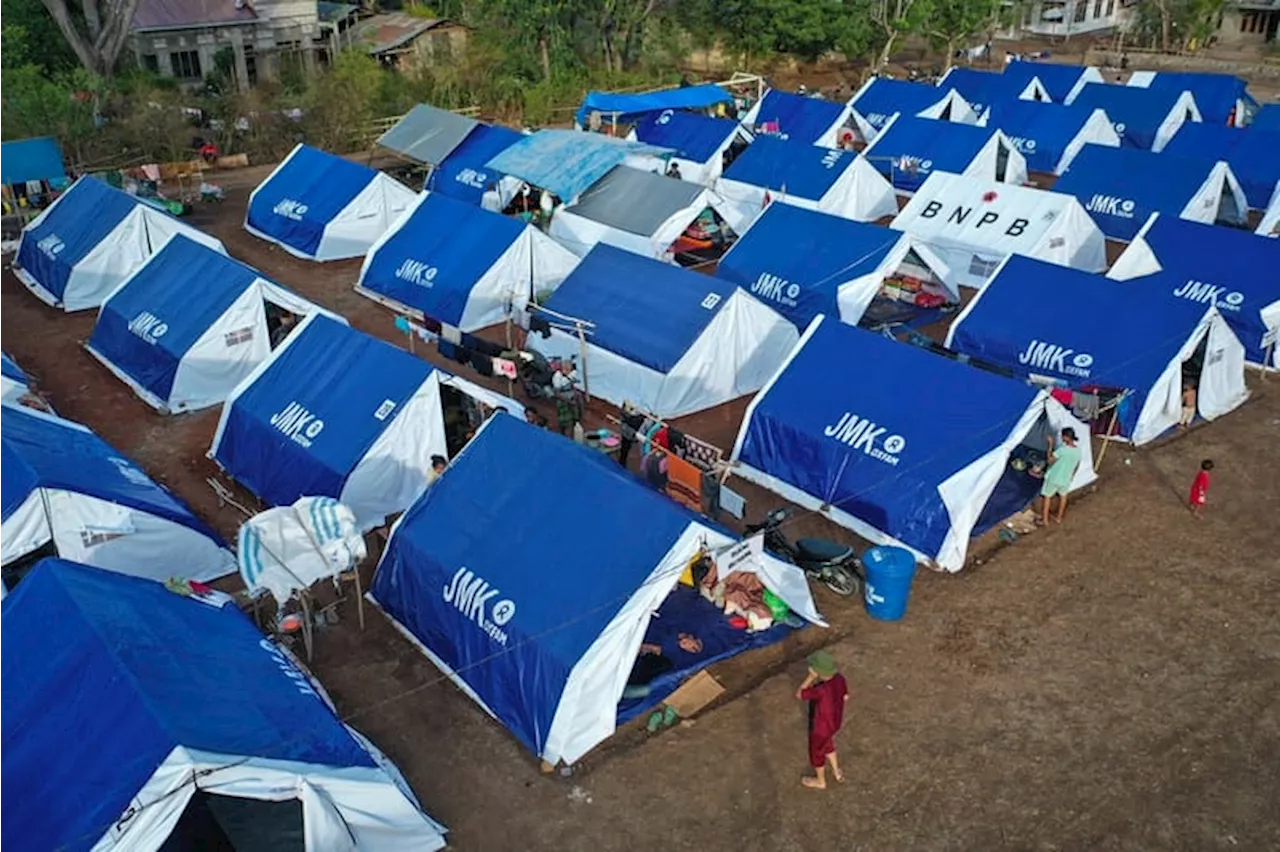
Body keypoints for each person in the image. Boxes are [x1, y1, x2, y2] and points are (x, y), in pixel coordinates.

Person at [797, 650, 848, 790]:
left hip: (820, 727)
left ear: (818, 671)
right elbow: (845, 696)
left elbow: (800, 694)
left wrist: (810, 677)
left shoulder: (820, 689)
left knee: (817, 753)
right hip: (834, 722)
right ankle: (836, 771)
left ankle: (820, 781)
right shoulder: (840, 678)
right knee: (828, 744)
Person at [622, 633, 703, 699]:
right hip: (636, 658)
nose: (690, 645)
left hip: (647, 668)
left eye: (694, 648)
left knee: (645, 690)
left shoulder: (679, 658)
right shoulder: (669, 632)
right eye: (693, 644)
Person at [1039, 427, 1082, 526]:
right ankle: (1059, 517)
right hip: (1066, 479)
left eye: (1062, 436)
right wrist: (1071, 476)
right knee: (1063, 497)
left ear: (1066, 437)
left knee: (1047, 497)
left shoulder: (1062, 450)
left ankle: (1045, 521)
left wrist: (1050, 445)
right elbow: (1077, 465)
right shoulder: (1078, 450)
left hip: (1054, 477)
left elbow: (1050, 460)